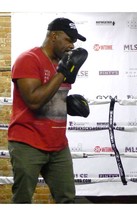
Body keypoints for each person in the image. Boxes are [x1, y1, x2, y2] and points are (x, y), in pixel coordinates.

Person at [8, 17, 89, 203]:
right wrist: (63, 72)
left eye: (74, 42)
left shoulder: (64, 64)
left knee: (67, 199)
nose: (71, 46)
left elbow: (51, 97)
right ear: (53, 36)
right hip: (28, 143)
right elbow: (34, 101)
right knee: (22, 200)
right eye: (68, 40)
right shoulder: (28, 59)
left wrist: (68, 104)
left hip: (58, 145)